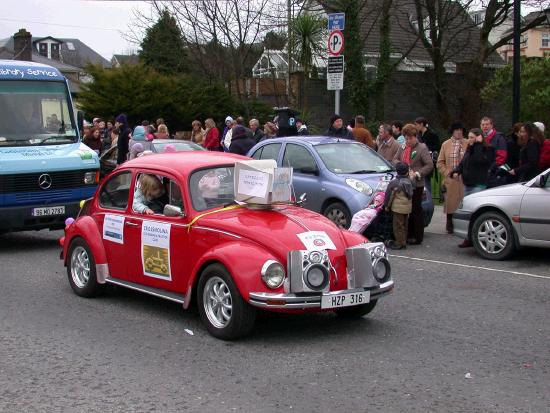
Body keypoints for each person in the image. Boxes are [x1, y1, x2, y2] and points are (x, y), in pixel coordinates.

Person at [393, 124, 433, 245]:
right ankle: (407, 234)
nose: (408, 141)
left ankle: (418, 236)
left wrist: (417, 173)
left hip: (417, 184)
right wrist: (401, 166)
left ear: (415, 137)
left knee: (416, 210)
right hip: (404, 183)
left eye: (410, 138)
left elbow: (429, 165)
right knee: (405, 210)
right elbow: (394, 159)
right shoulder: (403, 146)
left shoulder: (422, 148)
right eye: (406, 138)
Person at [436, 122, 468, 234]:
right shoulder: (446, 144)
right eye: (456, 130)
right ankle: (450, 225)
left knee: (465, 203)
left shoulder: (468, 143)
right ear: (452, 131)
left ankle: (465, 226)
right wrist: (447, 173)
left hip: (465, 178)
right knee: (451, 204)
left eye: (461, 130)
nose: (459, 132)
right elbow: (440, 162)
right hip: (451, 178)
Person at [384, 162, 413, 250]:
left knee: (398, 226)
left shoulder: (395, 183)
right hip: (407, 208)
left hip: (398, 208)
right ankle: (404, 240)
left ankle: (400, 243)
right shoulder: (409, 182)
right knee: (404, 225)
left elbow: (389, 195)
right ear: (407, 172)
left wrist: (387, 206)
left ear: (397, 171)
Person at [480, 116, 508, 187]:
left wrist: (491, 169)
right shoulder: (480, 138)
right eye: (483, 125)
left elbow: (502, 157)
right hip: (483, 174)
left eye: (487, 124)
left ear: (491, 125)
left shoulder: (499, 138)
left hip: (495, 174)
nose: (485, 126)